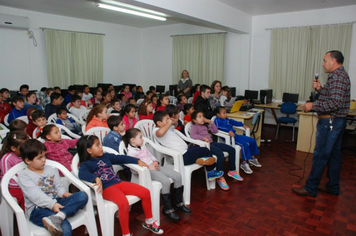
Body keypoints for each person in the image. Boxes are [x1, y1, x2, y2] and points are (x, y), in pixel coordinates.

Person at [77, 135, 163, 235]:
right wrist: (95, 178)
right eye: (97, 145)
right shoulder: (86, 164)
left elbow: (121, 158)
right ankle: (126, 233)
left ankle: (149, 222)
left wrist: (137, 160)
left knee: (145, 192)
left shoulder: (106, 156)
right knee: (123, 203)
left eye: (100, 144)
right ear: (89, 151)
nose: (101, 147)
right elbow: (82, 174)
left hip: (118, 183)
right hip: (107, 188)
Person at [292, 50, 350, 197]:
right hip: (336, 122)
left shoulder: (337, 77)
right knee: (334, 155)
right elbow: (331, 97)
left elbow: (335, 103)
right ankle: (333, 187)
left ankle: (310, 188)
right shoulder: (339, 76)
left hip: (330, 122)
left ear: (334, 61)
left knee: (320, 155)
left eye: (325, 60)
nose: (323, 64)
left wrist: (313, 106)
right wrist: (320, 89)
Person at [17, 139, 88, 236]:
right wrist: (52, 204)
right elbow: (35, 195)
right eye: (39, 158)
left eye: (44, 156)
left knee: (82, 196)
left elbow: (58, 186)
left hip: (56, 201)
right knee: (64, 227)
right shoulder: (24, 175)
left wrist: (63, 193)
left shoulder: (50, 169)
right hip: (37, 209)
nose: (44, 160)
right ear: (27, 160)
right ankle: (59, 217)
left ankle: (60, 215)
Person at [124, 128, 191, 221]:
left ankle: (178, 203)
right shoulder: (131, 153)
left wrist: (155, 161)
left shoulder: (142, 146)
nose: (143, 139)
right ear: (133, 140)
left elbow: (150, 155)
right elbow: (134, 170)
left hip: (154, 166)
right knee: (165, 181)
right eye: (140, 137)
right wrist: (148, 167)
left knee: (178, 176)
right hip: (147, 172)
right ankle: (167, 209)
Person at [153, 111, 222, 181]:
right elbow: (160, 133)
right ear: (159, 123)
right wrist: (168, 123)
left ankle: (201, 160)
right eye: (167, 119)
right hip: (182, 156)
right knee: (205, 150)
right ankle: (210, 173)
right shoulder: (156, 130)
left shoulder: (166, 128)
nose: (169, 120)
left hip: (186, 151)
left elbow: (175, 126)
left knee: (199, 148)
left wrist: (174, 121)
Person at [190, 111, 242, 190]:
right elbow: (192, 135)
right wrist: (203, 138)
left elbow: (215, 131)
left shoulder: (205, 125)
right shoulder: (195, 126)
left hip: (212, 143)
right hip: (205, 146)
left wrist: (211, 122)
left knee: (231, 149)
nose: (202, 118)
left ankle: (232, 170)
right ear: (194, 120)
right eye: (199, 117)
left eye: (203, 116)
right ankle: (219, 176)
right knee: (219, 154)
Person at [214, 106, 262, 174]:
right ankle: (244, 163)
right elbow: (218, 127)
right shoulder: (217, 120)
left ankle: (252, 158)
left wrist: (242, 125)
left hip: (236, 135)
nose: (225, 114)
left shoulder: (226, 119)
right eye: (223, 113)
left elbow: (233, 122)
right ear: (218, 114)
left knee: (252, 140)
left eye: (225, 113)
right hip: (230, 138)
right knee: (244, 144)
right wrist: (228, 131)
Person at [0, 131, 29, 210]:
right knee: (25, 195)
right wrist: (25, 185)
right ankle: (23, 217)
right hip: (12, 186)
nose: (27, 149)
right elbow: (8, 180)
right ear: (13, 148)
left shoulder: (27, 154)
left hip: (26, 182)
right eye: (23, 147)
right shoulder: (7, 159)